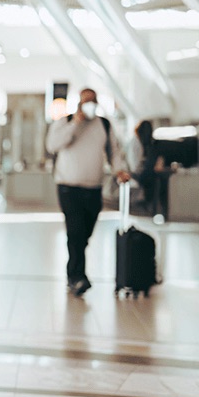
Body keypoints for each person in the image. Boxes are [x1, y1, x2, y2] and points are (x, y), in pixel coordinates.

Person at [45, 88, 130, 298]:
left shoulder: (103, 124)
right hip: (68, 187)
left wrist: (120, 169)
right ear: (78, 103)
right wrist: (75, 123)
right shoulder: (65, 122)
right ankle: (77, 277)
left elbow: (114, 151)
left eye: (93, 100)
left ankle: (75, 271)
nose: (90, 104)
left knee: (84, 234)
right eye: (86, 101)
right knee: (75, 232)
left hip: (93, 188)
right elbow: (53, 145)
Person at [129, 120, 166, 220]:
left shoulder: (141, 142)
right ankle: (152, 210)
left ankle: (151, 210)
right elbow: (136, 162)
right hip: (141, 174)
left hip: (141, 174)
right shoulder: (138, 142)